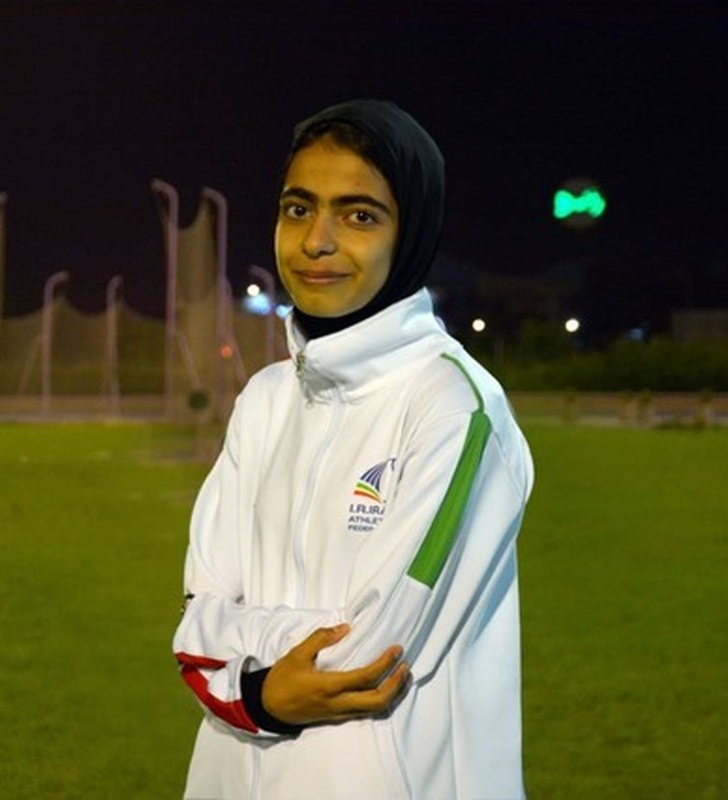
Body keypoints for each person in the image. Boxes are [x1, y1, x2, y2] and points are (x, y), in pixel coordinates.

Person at [171, 99, 534, 799]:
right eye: (298, 209)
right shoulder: (264, 400)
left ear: (412, 234)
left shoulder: (454, 408)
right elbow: (194, 621)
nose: (317, 241)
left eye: (360, 215)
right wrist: (265, 685)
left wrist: (244, 659)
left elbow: (369, 653)